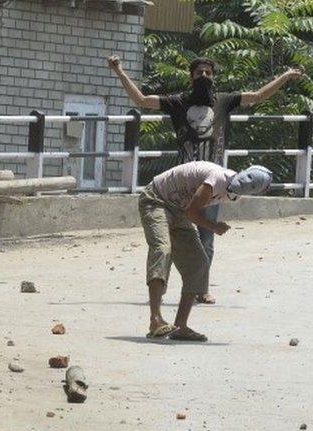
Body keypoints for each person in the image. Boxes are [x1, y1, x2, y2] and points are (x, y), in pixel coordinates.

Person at [108, 55, 302, 304]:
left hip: (211, 184)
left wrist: (285, 76)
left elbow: (257, 96)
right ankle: (160, 289)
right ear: (191, 77)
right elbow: (141, 100)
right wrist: (119, 71)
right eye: (199, 72)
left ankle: (201, 289)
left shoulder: (224, 101)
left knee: (206, 239)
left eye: (208, 72)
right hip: (179, 187)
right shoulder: (177, 102)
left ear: (214, 76)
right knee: (165, 241)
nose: (204, 76)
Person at [139, 161, 272, 341]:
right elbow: (192, 212)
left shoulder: (233, 195)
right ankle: (155, 320)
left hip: (178, 208)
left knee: (199, 262)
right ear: (243, 171)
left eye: (254, 185)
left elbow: (192, 209)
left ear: (255, 193)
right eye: (248, 177)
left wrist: (208, 226)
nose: (247, 183)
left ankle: (180, 326)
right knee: (162, 249)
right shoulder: (217, 179)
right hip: (156, 199)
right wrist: (214, 227)